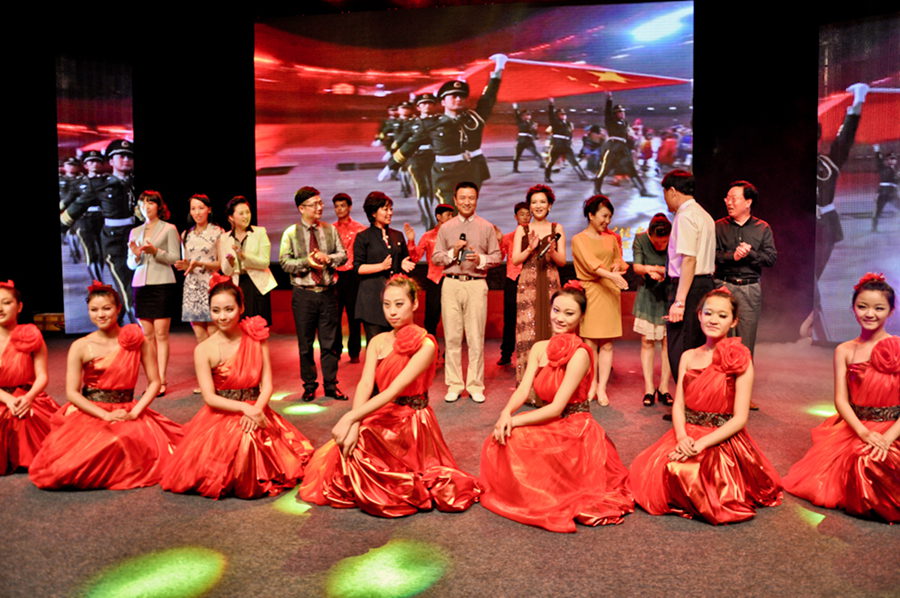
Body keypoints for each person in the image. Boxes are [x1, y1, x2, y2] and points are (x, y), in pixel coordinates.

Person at [299, 275, 481, 517]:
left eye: (399, 304)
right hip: (385, 411)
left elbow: (394, 389)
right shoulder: (377, 341)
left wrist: (350, 418)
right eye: (386, 305)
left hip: (412, 421)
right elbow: (366, 384)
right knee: (349, 442)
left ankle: (390, 489)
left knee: (362, 441)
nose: (392, 312)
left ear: (415, 304)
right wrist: (354, 421)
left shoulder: (426, 345)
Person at [480, 282, 633, 532]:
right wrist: (505, 414)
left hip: (575, 427)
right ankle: (532, 492)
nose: (560, 318)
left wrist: (514, 421)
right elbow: (523, 389)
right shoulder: (539, 348)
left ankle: (543, 494)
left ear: (581, 317)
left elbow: (557, 408)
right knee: (501, 437)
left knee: (516, 436)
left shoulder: (580, 354)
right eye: (556, 310)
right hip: (552, 420)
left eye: (569, 313)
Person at [628, 288, 782, 524]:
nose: (713, 320)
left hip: (721, 438)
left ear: (734, 321)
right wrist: (682, 437)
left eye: (722, 315)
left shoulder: (741, 358)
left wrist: (700, 444)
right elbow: (679, 404)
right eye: (708, 313)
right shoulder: (688, 356)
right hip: (687, 432)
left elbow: (740, 418)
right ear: (699, 315)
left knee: (696, 476)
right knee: (659, 470)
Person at [161, 276, 314, 499]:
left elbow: (267, 385)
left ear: (241, 308)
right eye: (216, 311)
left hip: (257, 408)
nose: (222, 317)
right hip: (223, 413)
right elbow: (209, 397)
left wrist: (257, 410)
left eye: (229, 309)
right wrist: (245, 409)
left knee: (256, 441)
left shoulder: (256, 338)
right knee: (243, 442)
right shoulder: (203, 349)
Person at [29, 282, 182, 490]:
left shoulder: (137, 341)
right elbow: (72, 393)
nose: (100, 314)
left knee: (124, 441)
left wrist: (135, 412)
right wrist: (105, 416)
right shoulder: (80, 346)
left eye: (107, 308)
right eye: (94, 310)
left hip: (128, 410)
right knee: (60, 472)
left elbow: (155, 382)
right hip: (91, 411)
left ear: (118, 309)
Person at [783, 274, 899, 522]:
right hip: (858, 426)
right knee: (861, 461)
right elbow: (841, 401)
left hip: (895, 428)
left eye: (879, 308)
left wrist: (887, 439)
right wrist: (865, 433)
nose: (870, 314)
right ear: (853, 308)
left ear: (891, 311)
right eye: (862, 306)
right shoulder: (845, 350)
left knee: (882, 462)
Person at [391, 54, 507, 208]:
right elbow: (411, 144)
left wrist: (498, 69)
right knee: (448, 211)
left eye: (462, 96)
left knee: (466, 210)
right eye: (453, 96)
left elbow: (489, 97)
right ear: (443, 102)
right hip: (446, 173)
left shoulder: (474, 118)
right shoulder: (431, 124)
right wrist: (392, 165)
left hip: (473, 170)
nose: (458, 99)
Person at [432, 182, 502, 403]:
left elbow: (497, 256)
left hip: (476, 283)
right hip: (451, 283)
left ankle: (475, 385)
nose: (467, 202)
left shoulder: (486, 227)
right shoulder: (446, 228)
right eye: (462, 198)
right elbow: (436, 257)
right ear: (455, 200)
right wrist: (453, 252)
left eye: (471, 198)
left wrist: (481, 259)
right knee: (452, 337)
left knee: (475, 337)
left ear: (476, 200)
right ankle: (454, 384)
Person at [279, 186, 349, 403]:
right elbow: (284, 262)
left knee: (330, 343)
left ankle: (331, 385)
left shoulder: (330, 230)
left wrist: (328, 258)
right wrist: (306, 262)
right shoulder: (291, 233)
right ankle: (309, 385)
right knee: (305, 344)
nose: (320, 207)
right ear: (301, 208)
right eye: (314, 204)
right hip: (304, 294)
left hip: (328, 293)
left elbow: (343, 255)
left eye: (320, 203)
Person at [61, 139, 138, 322]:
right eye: (121, 156)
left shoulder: (133, 183)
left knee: (139, 284)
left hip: (137, 239)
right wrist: (63, 226)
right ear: (111, 162)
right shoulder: (99, 184)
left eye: (129, 156)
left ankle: (121, 318)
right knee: (126, 283)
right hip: (114, 240)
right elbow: (76, 207)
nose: (126, 160)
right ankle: (137, 325)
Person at [571, 195, 628, 406]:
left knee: (607, 344)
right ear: (591, 215)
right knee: (590, 343)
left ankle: (602, 387)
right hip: (592, 291)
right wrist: (612, 275)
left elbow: (619, 260)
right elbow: (590, 264)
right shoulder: (579, 239)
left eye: (610, 217)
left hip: (610, 292)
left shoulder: (611, 238)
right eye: (604, 216)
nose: (607, 221)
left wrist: (617, 267)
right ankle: (591, 384)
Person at [0, 282, 59, 474]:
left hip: (27, 397)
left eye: (6, 303)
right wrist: (8, 399)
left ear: (19, 307)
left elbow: (42, 376)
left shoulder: (31, 335)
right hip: (2, 398)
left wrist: (28, 397)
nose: (0, 309)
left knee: (25, 419)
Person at [663, 169, 716, 377]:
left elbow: (689, 260)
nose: (665, 199)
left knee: (682, 347)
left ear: (672, 191)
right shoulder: (704, 215)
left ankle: (687, 396)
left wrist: (679, 302)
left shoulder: (685, 216)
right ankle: (698, 395)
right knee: (699, 344)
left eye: (665, 194)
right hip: (704, 285)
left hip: (689, 286)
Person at [714, 180, 777, 359]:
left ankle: (743, 375)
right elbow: (711, 255)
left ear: (748, 202)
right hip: (723, 285)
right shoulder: (718, 226)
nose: (729, 202)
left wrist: (750, 254)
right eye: (727, 198)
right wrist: (732, 256)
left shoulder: (762, 228)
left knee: (746, 341)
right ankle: (721, 376)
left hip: (750, 287)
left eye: (734, 198)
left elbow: (771, 259)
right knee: (721, 339)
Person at [127, 191, 180, 397]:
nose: (146, 207)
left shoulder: (169, 229)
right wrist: (136, 256)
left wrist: (156, 252)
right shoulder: (135, 232)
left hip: (162, 283)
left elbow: (175, 257)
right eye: (143, 204)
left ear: (159, 206)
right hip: (141, 284)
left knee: (161, 334)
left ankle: (162, 380)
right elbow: (130, 264)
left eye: (150, 203)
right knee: (146, 336)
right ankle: (152, 380)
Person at [512, 184, 566, 382]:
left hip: (551, 281)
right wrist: (530, 249)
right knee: (529, 331)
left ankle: (551, 383)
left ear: (549, 205)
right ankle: (529, 385)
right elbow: (515, 260)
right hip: (528, 284)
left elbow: (562, 261)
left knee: (552, 329)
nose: (538, 206)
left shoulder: (557, 228)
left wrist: (552, 251)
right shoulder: (522, 229)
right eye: (534, 202)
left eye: (542, 202)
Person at [354, 192, 416, 343]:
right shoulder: (363, 237)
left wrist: (403, 264)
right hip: (372, 298)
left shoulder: (397, 235)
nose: (390, 213)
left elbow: (404, 260)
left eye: (390, 209)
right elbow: (358, 268)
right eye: (385, 209)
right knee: (376, 343)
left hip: (394, 297)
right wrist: (381, 266)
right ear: (373, 213)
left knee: (396, 343)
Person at [632, 213, 673, 407]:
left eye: (664, 242)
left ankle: (664, 387)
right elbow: (637, 266)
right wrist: (650, 270)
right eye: (657, 242)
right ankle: (649, 387)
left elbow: (679, 265)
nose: (661, 246)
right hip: (648, 293)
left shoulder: (676, 239)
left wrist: (662, 271)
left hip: (669, 294)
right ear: (650, 235)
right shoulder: (641, 239)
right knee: (647, 341)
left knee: (667, 342)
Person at [219, 196, 277, 324]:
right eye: (241, 213)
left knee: (258, 327)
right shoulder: (224, 238)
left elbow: (265, 262)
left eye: (248, 212)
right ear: (231, 217)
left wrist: (244, 256)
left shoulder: (260, 232)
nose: (246, 216)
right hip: (238, 284)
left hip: (257, 285)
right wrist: (230, 262)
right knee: (240, 325)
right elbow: (226, 271)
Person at [175, 194, 223, 346]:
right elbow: (187, 262)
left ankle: (217, 361)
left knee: (213, 332)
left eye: (201, 208)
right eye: (193, 209)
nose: (197, 212)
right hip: (192, 286)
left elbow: (220, 264)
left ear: (209, 210)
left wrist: (199, 264)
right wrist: (184, 265)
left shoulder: (218, 232)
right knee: (199, 334)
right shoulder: (186, 234)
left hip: (211, 284)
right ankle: (205, 360)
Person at [405, 202, 456, 339]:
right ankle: (431, 346)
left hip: (452, 279)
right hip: (435, 280)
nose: (451, 218)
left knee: (453, 317)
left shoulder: (457, 236)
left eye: (452, 215)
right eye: (448, 215)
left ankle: (451, 349)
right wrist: (411, 241)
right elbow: (415, 258)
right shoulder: (428, 236)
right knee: (432, 317)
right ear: (439, 217)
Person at [331, 193, 367, 363]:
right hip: (335, 275)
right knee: (334, 316)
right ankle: (336, 350)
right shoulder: (330, 229)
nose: (339, 209)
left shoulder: (360, 229)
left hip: (353, 276)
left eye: (343, 206)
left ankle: (354, 351)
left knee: (354, 316)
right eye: (336, 206)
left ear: (349, 207)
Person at [594, 93, 650, 196]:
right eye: (620, 112)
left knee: (631, 169)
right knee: (604, 169)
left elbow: (630, 133)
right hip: (612, 146)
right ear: (615, 113)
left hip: (623, 148)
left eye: (623, 111)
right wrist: (609, 99)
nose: (622, 113)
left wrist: (633, 138)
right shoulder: (610, 121)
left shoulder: (625, 123)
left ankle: (643, 190)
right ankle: (597, 190)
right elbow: (607, 112)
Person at [498, 202, 531, 366]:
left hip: (530, 281)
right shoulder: (508, 238)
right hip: (513, 279)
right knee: (510, 318)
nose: (525, 217)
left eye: (528, 214)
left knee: (530, 318)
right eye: (522, 214)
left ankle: (530, 354)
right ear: (515, 217)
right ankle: (506, 353)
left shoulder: (535, 236)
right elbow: (498, 257)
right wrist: (498, 241)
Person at [544, 99, 588, 183]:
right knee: (551, 162)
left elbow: (569, 134)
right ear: (557, 115)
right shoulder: (555, 122)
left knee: (573, 161)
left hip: (566, 145)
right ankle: (547, 177)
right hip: (557, 145)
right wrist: (551, 104)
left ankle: (582, 176)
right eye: (561, 114)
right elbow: (550, 115)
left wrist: (570, 142)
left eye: (564, 114)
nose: (563, 115)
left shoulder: (568, 124)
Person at [871, 146, 898, 233]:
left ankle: (874, 227)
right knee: (878, 211)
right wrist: (877, 150)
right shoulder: (883, 168)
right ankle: (874, 228)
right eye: (891, 159)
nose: (893, 160)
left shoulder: (895, 171)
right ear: (887, 160)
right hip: (883, 192)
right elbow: (878, 160)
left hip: (892, 193)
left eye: (894, 159)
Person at [511, 104, 543, 173]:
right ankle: (515, 168)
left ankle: (541, 164)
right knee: (517, 155)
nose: (528, 116)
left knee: (535, 153)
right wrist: (515, 108)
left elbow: (534, 131)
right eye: (527, 115)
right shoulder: (520, 121)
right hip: (521, 140)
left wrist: (536, 136)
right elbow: (516, 115)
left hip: (529, 141)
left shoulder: (533, 123)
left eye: (529, 115)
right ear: (523, 116)